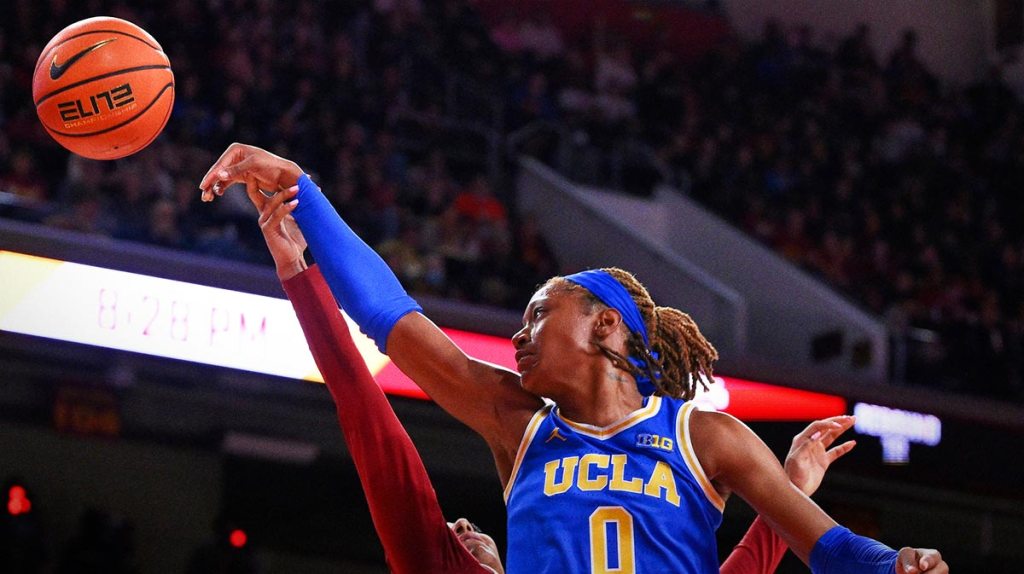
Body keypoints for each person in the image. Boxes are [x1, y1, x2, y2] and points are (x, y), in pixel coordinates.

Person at [200, 144, 948, 574]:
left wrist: (895, 565)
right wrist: (302, 190)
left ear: (608, 329)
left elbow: (828, 548)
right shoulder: (517, 422)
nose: (520, 334)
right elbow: (389, 316)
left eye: (538, 314)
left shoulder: (706, 438)